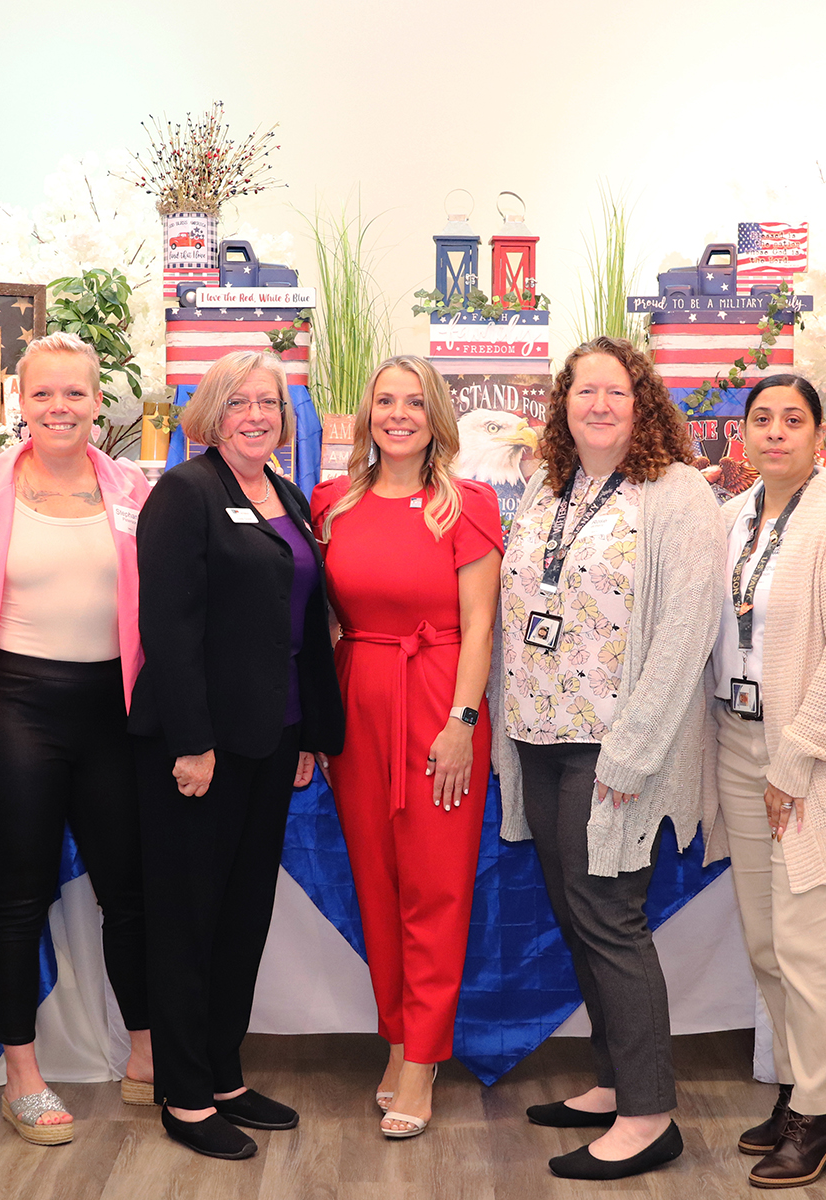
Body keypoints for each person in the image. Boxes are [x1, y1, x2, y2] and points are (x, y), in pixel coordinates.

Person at [491, 335, 724, 1180]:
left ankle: (650, 1114)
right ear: (562, 405)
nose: (598, 404)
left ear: (643, 403)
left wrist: (632, 756)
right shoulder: (549, 486)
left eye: (615, 392)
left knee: (610, 920)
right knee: (575, 912)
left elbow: (686, 630)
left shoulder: (678, 492)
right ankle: (613, 1080)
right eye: (582, 391)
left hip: (615, 744)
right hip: (541, 735)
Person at [129, 348, 346, 1160]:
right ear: (210, 414)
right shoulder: (184, 494)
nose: (257, 415)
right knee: (188, 921)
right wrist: (193, 744)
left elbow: (300, 629)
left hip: (272, 741)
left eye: (270, 403)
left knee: (242, 917)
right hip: (201, 749)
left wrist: (310, 736)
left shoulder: (285, 495)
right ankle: (183, 1096)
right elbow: (170, 632)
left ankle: (223, 1074)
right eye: (239, 403)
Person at [0, 331, 154, 1145]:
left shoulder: (133, 486)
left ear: (99, 401)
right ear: (18, 400)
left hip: (113, 710)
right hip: (17, 707)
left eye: (75, 394)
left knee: (129, 893)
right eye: (43, 394)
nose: (59, 408)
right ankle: (23, 1073)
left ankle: (145, 1053)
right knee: (20, 895)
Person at [701, 375, 826, 1189]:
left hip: (819, 763)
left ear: (821, 433)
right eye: (762, 419)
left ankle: (823, 1116)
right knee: (765, 945)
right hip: (740, 746)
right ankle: (798, 1096)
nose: (776, 432)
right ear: (741, 435)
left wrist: (792, 764)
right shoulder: (731, 518)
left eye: (794, 419)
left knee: (806, 946)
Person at [310, 355, 502, 1139]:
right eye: (385, 401)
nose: (398, 414)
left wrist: (461, 719)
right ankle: (396, 1038)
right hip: (359, 701)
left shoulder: (469, 505)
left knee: (436, 888)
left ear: (436, 417)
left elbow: (482, 624)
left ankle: (423, 1057)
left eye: (414, 402)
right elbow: (323, 621)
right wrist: (322, 722)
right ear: (366, 414)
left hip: (437, 703)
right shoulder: (332, 504)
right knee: (378, 883)